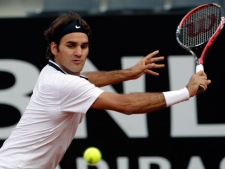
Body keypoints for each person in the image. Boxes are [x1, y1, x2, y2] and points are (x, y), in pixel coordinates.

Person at [0, 11, 211, 169]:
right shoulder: (64, 84)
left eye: (84, 46)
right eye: (71, 45)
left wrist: (129, 73)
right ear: (54, 48)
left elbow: (87, 79)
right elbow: (126, 105)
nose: (79, 53)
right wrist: (186, 92)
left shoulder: (52, 72)